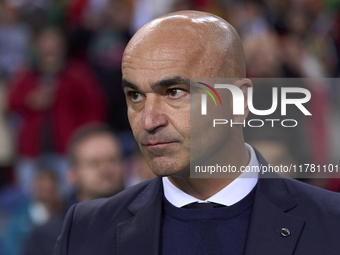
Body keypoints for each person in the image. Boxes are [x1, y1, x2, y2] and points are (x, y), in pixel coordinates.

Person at [55, 11, 340, 255]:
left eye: (174, 92)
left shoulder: (331, 223)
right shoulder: (85, 231)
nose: (149, 120)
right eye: (135, 95)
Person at [7, 27, 107, 195]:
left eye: (54, 43)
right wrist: (30, 100)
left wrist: (82, 135)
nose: (50, 48)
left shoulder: (76, 73)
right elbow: (11, 102)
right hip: (32, 151)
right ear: (37, 47)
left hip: (66, 149)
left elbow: (95, 106)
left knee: (68, 195)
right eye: (45, 43)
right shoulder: (28, 74)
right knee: (29, 196)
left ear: (62, 46)